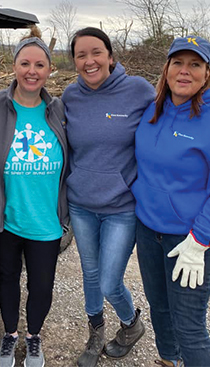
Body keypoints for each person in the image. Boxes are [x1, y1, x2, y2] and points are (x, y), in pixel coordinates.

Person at [132, 36, 210, 367]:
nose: (185, 71)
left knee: (189, 326)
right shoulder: (153, 111)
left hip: (192, 240)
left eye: (194, 64)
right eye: (178, 63)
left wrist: (199, 242)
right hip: (148, 233)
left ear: (207, 73)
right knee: (160, 311)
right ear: (166, 68)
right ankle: (169, 360)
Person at [62, 27, 155, 367]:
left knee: (109, 279)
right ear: (74, 61)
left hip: (121, 207)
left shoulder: (139, 91)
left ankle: (131, 325)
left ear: (111, 56)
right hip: (82, 204)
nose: (89, 61)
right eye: (81, 55)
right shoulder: (70, 97)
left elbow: (170, 115)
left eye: (96, 52)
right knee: (89, 273)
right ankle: (96, 332)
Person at [0, 26, 68, 367]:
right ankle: (9, 335)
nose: (32, 71)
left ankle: (33, 337)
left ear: (49, 70)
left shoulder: (60, 109)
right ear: (14, 67)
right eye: (25, 63)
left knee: (42, 286)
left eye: (40, 65)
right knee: (7, 280)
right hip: (5, 218)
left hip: (46, 220)